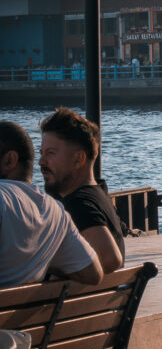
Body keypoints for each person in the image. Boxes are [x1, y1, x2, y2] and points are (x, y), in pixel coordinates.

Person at [0, 121, 103, 288]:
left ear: (10, 160)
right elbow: (93, 273)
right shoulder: (56, 211)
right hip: (32, 306)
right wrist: (41, 261)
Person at [39, 108, 125, 274]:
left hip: (80, 292)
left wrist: (43, 266)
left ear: (79, 159)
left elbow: (110, 259)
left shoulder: (79, 204)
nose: (41, 162)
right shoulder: (98, 196)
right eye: (41, 153)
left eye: (50, 153)